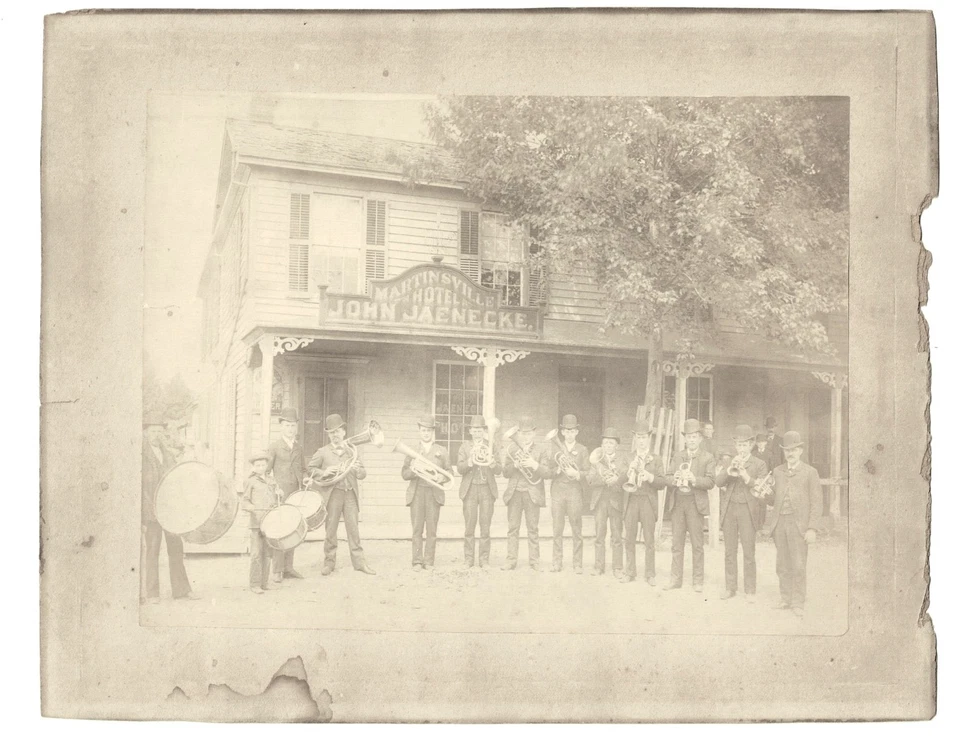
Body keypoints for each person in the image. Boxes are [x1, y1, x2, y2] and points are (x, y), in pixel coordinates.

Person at [763, 430, 823, 618]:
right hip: (780, 523)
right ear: (784, 451)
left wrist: (812, 528)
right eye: (787, 450)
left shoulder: (810, 472)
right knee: (782, 564)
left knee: (798, 564)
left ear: (800, 451)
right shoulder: (777, 471)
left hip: (799, 525)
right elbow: (773, 500)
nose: (790, 453)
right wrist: (765, 493)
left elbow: (817, 502)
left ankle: (798, 602)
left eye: (794, 450)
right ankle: (786, 598)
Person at [308, 414, 376, 576]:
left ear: (344, 432)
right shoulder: (322, 452)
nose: (335, 435)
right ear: (328, 435)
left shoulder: (352, 450)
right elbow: (310, 469)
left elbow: (363, 474)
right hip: (333, 495)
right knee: (330, 530)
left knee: (353, 530)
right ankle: (329, 563)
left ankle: (359, 563)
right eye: (331, 433)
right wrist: (324, 472)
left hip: (350, 494)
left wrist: (358, 470)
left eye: (337, 431)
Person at [141, 413, 198, 604]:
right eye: (153, 431)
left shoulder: (168, 454)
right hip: (151, 512)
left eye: (160, 431)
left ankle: (181, 590)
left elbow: (177, 479)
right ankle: (152, 593)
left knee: (176, 549)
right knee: (152, 551)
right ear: (146, 433)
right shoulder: (140, 454)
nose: (157, 435)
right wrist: (144, 514)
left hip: (170, 511)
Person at [715, 424, 769, 602]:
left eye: (745, 444)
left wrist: (746, 476)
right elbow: (718, 482)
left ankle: (750, 590)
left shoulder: (759, 464)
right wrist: (730, 469)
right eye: (739, 445)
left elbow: (761, 486)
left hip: (748, 510)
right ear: (735, 445)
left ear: (751, 445)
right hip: (730, 508)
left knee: (748, 551)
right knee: (729, 551)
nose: (742, 448)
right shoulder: (729, 461)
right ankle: (730, 588)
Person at [664, 419, 716, 593]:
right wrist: (675, 478)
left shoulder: (708, 457)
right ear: (685, 439)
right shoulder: (678, 456)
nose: (691, 440)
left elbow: (711, 482)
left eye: (694, 437)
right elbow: (667, 477)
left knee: (697, 544)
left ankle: (698, 580)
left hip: (695, 504)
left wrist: (694, 479)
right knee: (677, 544)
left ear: (700, 438)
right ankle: (675, 579)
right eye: (688, 437)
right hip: (679, 503)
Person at [502, 416, 552, 571]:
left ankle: (534, 561)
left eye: (529, 433)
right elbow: (505, 472)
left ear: (534, 433)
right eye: (523, 433)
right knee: (513, 528)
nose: (525, 437)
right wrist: (515, 466)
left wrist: (534, 464)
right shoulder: (512, 449)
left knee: (533, 528)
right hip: (515, 493)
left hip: (532, 493)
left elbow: (547, 473)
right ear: (518, 434)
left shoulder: (541, 450)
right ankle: (511, 560)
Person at [402, 415, 451, 571]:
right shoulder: (412, 451)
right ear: (419, 431)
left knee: (432, 530)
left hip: (433, 493)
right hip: (417, 493)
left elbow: (449, 471)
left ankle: (429, 561)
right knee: (417, 529)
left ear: (432, 432)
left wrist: (442, 477)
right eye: (423, 430)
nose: (426, 433)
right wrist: (414, 469)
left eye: (428, 430)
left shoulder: (441, 450)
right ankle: (417, 561)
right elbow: (404, 474)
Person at [621, 421, 667, 585]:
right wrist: (629, 470)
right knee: (629, 539)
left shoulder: (656, 459)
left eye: (644, 437)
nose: (641, 441)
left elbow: (662, 483)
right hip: (632, 500)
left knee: (649, 540)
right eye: (638, 437)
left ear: (649, 438)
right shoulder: (628, 457)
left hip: (648, 500)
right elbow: (620, 480)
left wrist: (649, 476)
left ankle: (650, 574)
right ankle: (630, 572)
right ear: (635, 438)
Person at [456, 415, 501, 568]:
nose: (477, 433)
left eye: (480, 430)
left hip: (487, 489)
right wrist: (469, 462)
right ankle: (469, 559)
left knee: (485, 527)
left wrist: (493, 464)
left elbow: (499, 469)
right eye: (474, 430)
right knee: (469, 526)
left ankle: (484, 560)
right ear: (470, 431)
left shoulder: (491, 445)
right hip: (470, 489)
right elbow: (460, 468)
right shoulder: (465, 447)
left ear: (484, 431)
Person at [549, 414, 590, 574]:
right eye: (567, 431)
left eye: (572, 431)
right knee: (557, 528)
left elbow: (588, 471)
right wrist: (558, 469)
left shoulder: (582, 450)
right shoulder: (556, 448)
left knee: (576, 528)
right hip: (558, 490)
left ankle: (577, 563)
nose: (570, 434)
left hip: (574, 490)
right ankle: (556, 562)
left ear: (577, 432)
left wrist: (577, 473)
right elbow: (548, 469)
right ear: (562, 432)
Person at [267, 408, 305, 581]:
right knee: (280, 530)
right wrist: (275, 487)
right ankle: (277, 570)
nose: (290, 429)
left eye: (293, 426)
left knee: (293, 529)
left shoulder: (298, 448)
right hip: (280, 495)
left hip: (295, 494)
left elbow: (303, 469)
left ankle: (289, 568)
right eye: (287, 425)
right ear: (281, 426)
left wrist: (306, 478)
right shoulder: (274, 447)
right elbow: (266, 472)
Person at [587, 428, 629, 578]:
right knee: (599, 535)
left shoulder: (623, 460)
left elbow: (625, 477)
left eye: (611, 443)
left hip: (616, 501)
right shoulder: (596, 460)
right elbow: (590, 480)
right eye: (605, 443)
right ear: (602, 445)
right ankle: (599, 566)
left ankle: (617, 567)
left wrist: (616, 479)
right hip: (600, 501)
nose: (608, 446)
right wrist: (604, 478)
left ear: (616, 445)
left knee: (617, 536)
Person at [242, 450, 282, 594]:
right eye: (257, 465)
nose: (260, 468)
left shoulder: (272, 480)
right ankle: (255, 584)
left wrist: (280, 494)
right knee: (256, 554)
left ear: (266, 465)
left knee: (267, 553)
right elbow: (245, 501)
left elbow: (277, 498)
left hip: (270, 522)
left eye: (263, 465)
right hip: (256, 524)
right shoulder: (250, 481)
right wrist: (251, 507)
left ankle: (264, 583)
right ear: (253, 467)